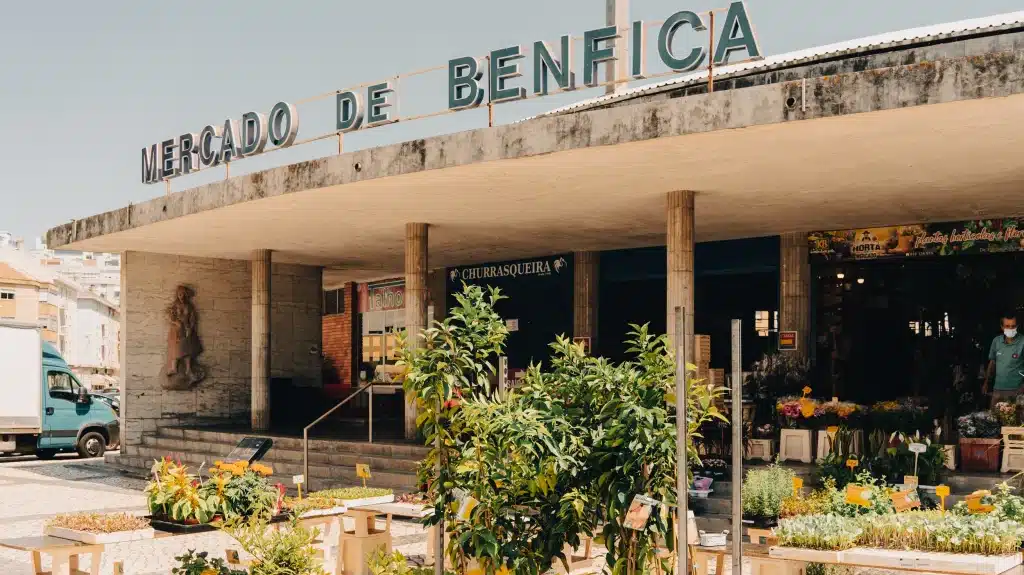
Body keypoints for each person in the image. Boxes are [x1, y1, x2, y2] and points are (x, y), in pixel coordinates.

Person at [983, 311, 1024, 407]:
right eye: (1007, 326)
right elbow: (992, 363)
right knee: (994, 418)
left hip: (1017, 390)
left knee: (1016, 420)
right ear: (1002, 327)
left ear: (1017, 326)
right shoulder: (996, 341)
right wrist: (986, 382)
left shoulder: (1022, 341)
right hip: (998, 389)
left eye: (1013, 326)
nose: (1010, 328)